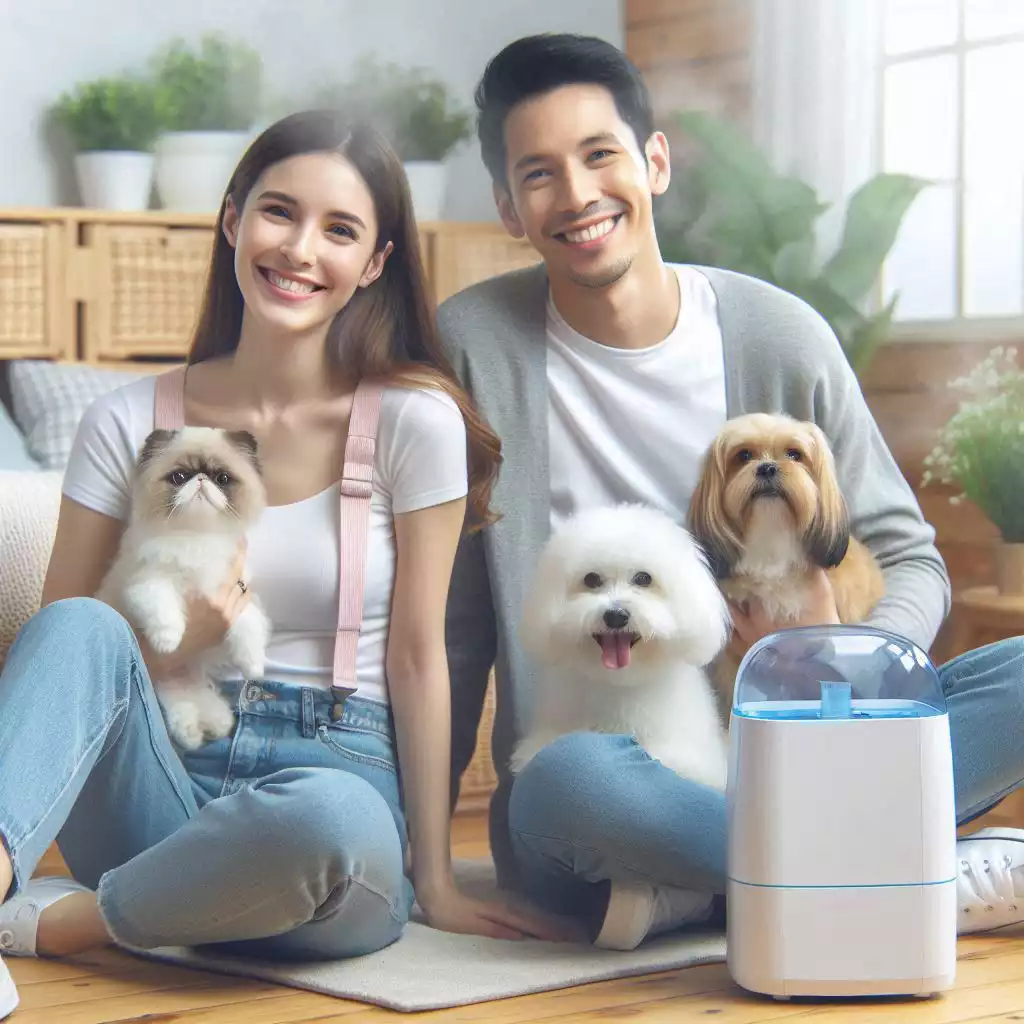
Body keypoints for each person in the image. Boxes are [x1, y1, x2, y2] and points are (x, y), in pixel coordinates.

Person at [439, 33, 1024, 950]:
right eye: (540, 174)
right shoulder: (474, 344)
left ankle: (727, 881)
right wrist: (423, 858)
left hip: (807, 742)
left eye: (601, 154)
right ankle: (900, 873)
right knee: (562, 784)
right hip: (611, 795)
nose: (580, 194)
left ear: (655, 161)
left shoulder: (779, 336)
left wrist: (841, 650)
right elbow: (455, 622)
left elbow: (910, 556)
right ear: (509, 208)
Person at [0, 109, 566, 1018]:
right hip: (165, 775)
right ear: (232, 219)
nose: (300, 249)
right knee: (76, 622)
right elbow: (73, 659)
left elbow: (421, 658)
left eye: (339, 230)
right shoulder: (126, 422)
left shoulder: (413, 423)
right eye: (277, 213)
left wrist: (437, 880)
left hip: (334, 789)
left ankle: (74, 925)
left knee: (328, 822)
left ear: (375, 262)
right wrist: (183, 643)